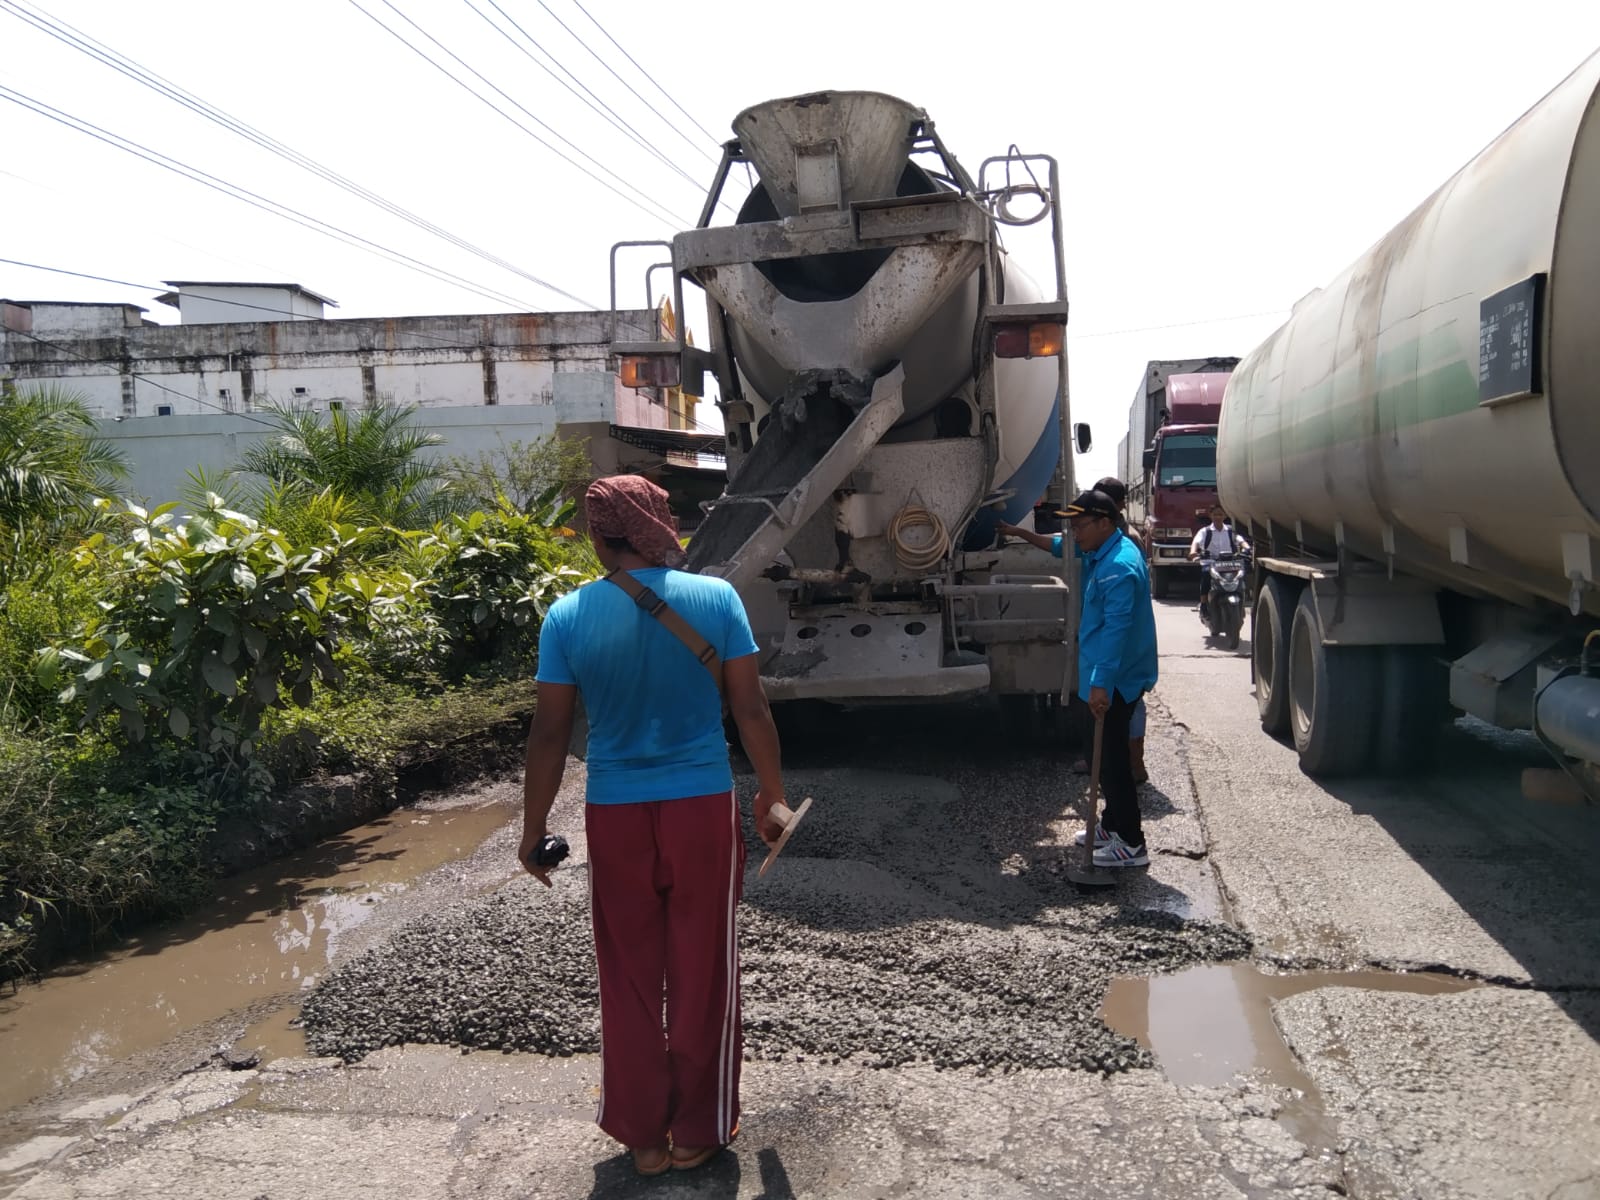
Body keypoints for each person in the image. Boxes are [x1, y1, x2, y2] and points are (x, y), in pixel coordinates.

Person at [519, 474, 787, 1177]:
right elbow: (752, 710)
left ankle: (644, 1139)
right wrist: (772, 796)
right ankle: (697, 1130)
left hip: (614, 812)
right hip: (701, 806)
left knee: (629, 974)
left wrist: (533, 828)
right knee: (704, 970)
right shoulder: (717, 599)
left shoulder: (566, 617)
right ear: (658, 525)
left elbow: (549, 736)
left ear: (602, 538)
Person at [1000, 489, 1158, 865]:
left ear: (1105, 522)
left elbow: (1116, 630)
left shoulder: (1118, 566)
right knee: (1096, 753)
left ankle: (1132, 842)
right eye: (1071, 526)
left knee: (1112, 760)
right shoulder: (1099, 552)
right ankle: (1110, 824)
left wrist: (1102, 683)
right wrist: (1019, 533)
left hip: (1115, 678)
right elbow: (1057, 545)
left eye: (1081, 525)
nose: (1074, 533)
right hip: (1102, 674)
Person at [1188, 505, 1250, 615]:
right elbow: (1196, 542)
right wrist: (1193, 552)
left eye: (1220, 514)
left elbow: (1240, 540)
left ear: (1225, 516)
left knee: (1242, 574)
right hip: (1211, 563)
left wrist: (1246, 548)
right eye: (1215, 514)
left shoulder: (1231, 530)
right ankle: (1203, 604)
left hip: (1230, 563)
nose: (1218, 517)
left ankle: (1242, 601)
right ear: (1210, 516)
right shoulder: (1205, 531)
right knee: (1206, 574)